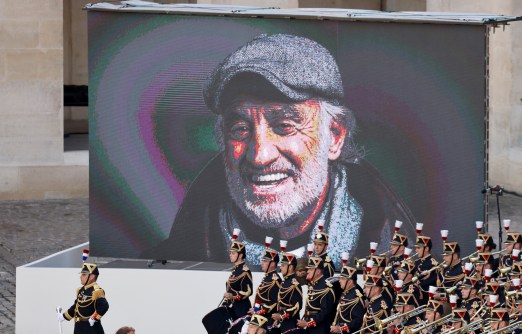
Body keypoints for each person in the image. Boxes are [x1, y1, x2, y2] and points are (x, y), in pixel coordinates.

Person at [147, 33, 415, 267]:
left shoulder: (409, 267)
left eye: (285, 126)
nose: (260, 156)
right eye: (240, 129)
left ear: (334, 136)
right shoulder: (165, 267)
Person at [222, 229, 253, 334]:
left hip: (241, 308)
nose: (231, 255)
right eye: (230, 253)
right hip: (233, 308)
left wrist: (233, 296)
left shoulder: (245, 271)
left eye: (233, 253)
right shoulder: (235, 270)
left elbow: (247, 291)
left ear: (240, 255)